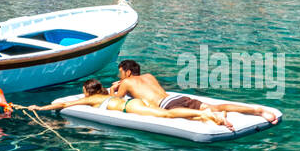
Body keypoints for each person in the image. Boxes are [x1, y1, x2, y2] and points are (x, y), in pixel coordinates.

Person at [107, 60, 278, 126]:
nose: (119, 75)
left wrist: (114, 88)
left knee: (179, 114)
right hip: (177, 97)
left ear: (127, 72)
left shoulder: (126, 82)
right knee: (217, 106)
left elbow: (117, 100)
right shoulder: (149, 76)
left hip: (168, 104)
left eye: (120, 72)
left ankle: (214, 117)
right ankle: (257, 111)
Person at [18, 80, 230, 126]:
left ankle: (205, 115)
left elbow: (62, 106)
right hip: (137, 102)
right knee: (164, 114)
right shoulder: (104, 94)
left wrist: (40, 108)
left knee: (166, 115)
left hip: (132, 107)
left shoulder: (91, 99)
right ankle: (203, 115)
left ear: (86, 92)